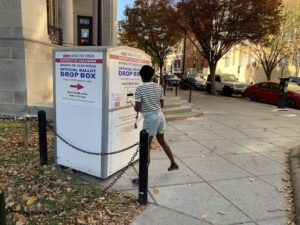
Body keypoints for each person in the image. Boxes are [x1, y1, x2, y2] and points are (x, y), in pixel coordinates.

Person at [134, 65, 179, 171]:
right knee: (162, 141)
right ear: (151, 76)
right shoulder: (158, 87)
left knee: (146, 147)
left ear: (142, 76)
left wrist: (136, 107)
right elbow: (162, 104)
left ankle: (143, 178)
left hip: (150, 118)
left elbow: (137, 108)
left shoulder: (139, 89)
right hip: (160, 116)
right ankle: (173, 163)